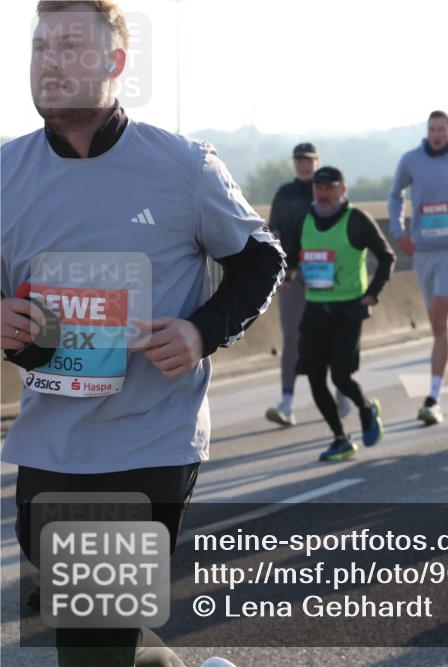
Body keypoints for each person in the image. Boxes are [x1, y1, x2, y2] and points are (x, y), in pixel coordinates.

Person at [1, 2, 285, 664]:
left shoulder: (183, 166)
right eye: (41, 46)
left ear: (116, 63)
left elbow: (261, 257)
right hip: (50, 439)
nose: (50, 59)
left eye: (72, 44)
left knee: (91, 637)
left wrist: (200, 330)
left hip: (150, 434)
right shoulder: (5, 173)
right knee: (99, 625)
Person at [283, 167, 396, 461]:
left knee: (342, 377)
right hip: (316, 309)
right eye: (318, 188)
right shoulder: (304, 219)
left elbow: (387, 256)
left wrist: (374, 292)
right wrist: (288, 274)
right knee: (315, 378)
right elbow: (291, 255)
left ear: (342, 191)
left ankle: (366, 408)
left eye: (329, 188)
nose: (322, 194)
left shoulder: (356, 219)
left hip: (348, 309)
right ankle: (340, 438)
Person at [389, 111, 448, 425]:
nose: (437, 134)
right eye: (432, 129)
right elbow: (394, 195)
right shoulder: (411, 160)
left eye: (442, 129)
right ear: (427, 131)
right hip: (423, 250)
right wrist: (399, 231)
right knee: (437, 323)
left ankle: (433, 398)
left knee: (441, 318)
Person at [264, 142, 352, 427]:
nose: (303, 165)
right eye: (299, 160)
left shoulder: (326, 192)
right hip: (292, 277)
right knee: (291, 337)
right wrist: (278, 269)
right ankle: (287, 403)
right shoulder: (285, 194)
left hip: (325, 274)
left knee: (328, 337)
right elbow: (272, 231)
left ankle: (341, 389)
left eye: (309, 160)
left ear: (317, 162)